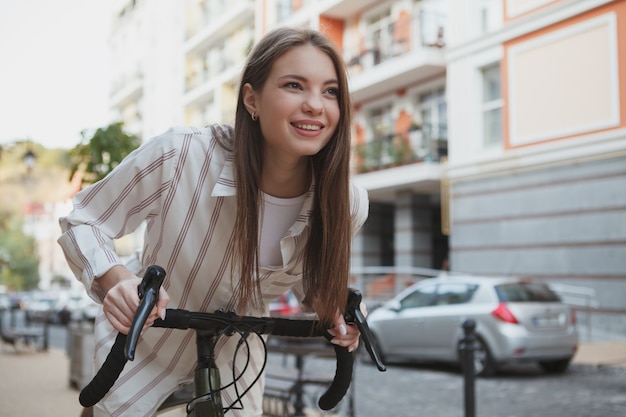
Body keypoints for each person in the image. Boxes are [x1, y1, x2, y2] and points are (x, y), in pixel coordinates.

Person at [58, 26, 369, 417]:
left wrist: (339, 314)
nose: (315, 105)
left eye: (330, 91)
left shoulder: (346, 202)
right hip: (146, 336)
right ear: (251, 99)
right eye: (294, 85)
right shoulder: (182, 154)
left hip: (237, 350)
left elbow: (316, 289)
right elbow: (85, 219)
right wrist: (116, 280)